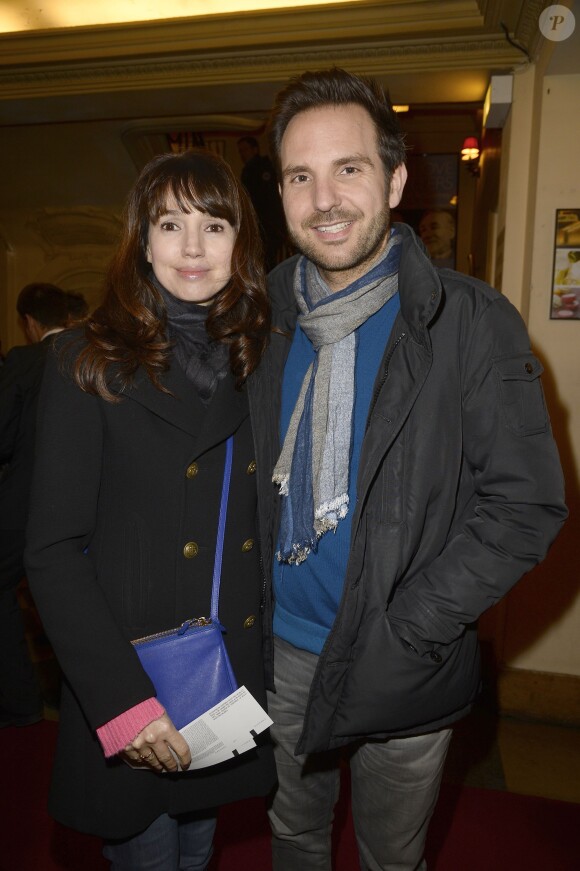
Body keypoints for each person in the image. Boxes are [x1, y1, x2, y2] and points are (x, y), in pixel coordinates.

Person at [263, 68, 567, 870]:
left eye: (348, 168)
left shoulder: (468, 320)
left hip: (401, 657)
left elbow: (525, 504)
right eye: (301, 175)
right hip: (278, 651)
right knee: (292, 836)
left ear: (396, 179)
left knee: (391, 858)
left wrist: (411, 627)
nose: (324, 197)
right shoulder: (257, 321)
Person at [24, 149, 278, 869]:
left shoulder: (256, 357)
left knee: (197, 850)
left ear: (242, 242)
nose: (193, 248)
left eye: (214, 225)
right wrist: (125, 702)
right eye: (170, 224)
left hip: (217, 678)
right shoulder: (86, 359)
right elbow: (51, 550)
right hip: (132, 684)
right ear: (141, 240)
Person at [0, 282, 69, 729]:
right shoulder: (96, 354)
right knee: (71, 599)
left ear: (29, 323)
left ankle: (20, 700)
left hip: (23, 506)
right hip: (82, 510)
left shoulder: (24, 361)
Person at [237, 135, 287, 271]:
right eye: (240, 151)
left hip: (269, 224)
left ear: (255, 149)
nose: (242, 154)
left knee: (269, 260)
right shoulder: (248, 170)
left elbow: (271, 199)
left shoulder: (264, 168)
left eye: (245, 150)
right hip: (259, 224)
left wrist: (276, 224)